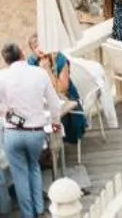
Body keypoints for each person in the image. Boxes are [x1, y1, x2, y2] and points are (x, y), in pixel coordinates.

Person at [0, 41, 64, 217]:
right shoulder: (39, 73)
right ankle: (39, 209)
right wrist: (55, 121)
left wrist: (8, 115)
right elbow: (54, 104)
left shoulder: (2, 77)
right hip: (35, 132)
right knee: (33, 167)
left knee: (19, 174)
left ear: (5, 60)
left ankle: (28, 214)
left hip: (13, 133)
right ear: (22, 54)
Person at [26, 38, 84, 147]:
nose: (39, 48)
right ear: (33, 51)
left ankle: (53, 150)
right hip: (44, 103)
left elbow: (62, 89)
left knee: (51, 121)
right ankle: (45, 150)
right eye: (35, 46)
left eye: (40, 44)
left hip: (67, 104)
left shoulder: (59, 59)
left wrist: (47, 70)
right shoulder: (32, 62)